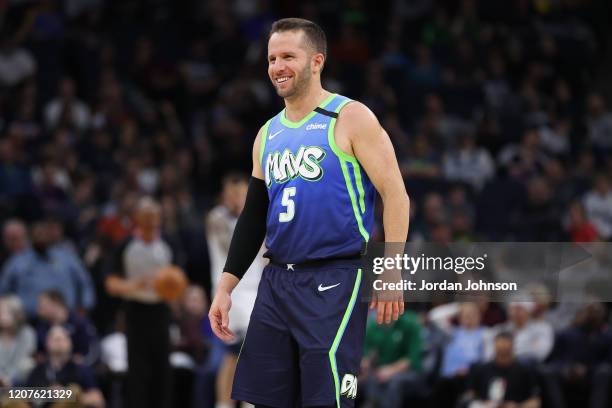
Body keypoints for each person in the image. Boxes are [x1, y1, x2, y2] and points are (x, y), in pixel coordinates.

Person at [208, 18, 410, 408]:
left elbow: (396, 194)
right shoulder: (267, 134)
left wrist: (391, 270)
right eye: (271, 58)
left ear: (316, 61)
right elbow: (253, 216)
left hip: (335, 275)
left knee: (326, 399)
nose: (277, 67)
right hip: (278, 279)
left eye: (288, 56)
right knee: (263, 401)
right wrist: (225, 287)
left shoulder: (351, 117)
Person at [105, 196, 175, 408]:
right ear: (136, 217)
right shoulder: (125, 245)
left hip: (162, 310)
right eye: (146, 214)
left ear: (160, 218)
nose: (151, 219)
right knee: (137, 371)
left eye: (154, 214)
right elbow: (110, 283)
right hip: (135, 311)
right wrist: (137, 285)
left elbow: (181, 279)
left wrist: (169, 285)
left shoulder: (169, 243)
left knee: (163, 369)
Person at [206, 173, 265, 408]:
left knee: (245, 354)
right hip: (229, 294)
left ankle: (245, 403)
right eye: (232, 194)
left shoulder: (261, 217)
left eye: (241, 194)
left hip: (255, 292)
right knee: (235, 354)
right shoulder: (216, 218)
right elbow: (237, 246)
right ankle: (228, 403)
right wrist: (247, 212)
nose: (236, 198)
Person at [0, 218, 96, 317]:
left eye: (43, 233)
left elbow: (84, 282)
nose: (40, 236)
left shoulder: (67, 257)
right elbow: (3, 290)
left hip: (65, 317)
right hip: (30, 319)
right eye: (37, 233)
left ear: (49, 235)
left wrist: (84, 306)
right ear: (30, 236)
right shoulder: (17, 261)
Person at [26, 325, 105, 408]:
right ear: (47, 343)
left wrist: (66, 394)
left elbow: (98, 400)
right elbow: (22, 395)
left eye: (63, 339)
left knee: (74, 390)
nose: (59, 342)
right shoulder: (38, 370)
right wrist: (48, 394)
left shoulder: (81, 369)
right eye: (55, 339)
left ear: (70, 343)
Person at [464, 332, 540, 408]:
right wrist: (482, 403)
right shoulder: (481, 369)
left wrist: (518, 406)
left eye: (506, 344)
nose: (503, 347)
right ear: (494, 346)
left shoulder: (524, 371)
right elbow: (470, 394)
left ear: (513, 346)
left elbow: (535, 401)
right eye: (500, 343)